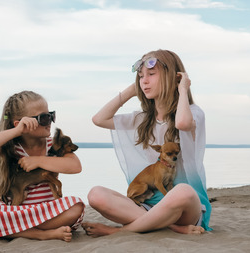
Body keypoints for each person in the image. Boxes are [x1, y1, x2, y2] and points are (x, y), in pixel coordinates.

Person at [82, 49, 212, 237]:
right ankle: (171, 227)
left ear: (173, 77)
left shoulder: (193, 112)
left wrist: (182, 89)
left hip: (185, 208)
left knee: (182, 190)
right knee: (96, 195)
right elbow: (99, 119)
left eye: (151, 74)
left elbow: (182, 123)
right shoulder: (142, 119)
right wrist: (132, 90)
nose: (144, 80)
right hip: (148, 205)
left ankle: (117, 232)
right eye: (141, 76)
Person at [0, 91, 85, 243]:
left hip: (47, 211)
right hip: (16, 213)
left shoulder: (53, 145)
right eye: (43, 118)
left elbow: (75, 166)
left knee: (77, 206)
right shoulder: (11, 147)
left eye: (51, 115)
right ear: (21, 124)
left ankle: (13, 231)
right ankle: (41, 234)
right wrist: (17, 131)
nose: (49, 121)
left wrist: (38, 160)